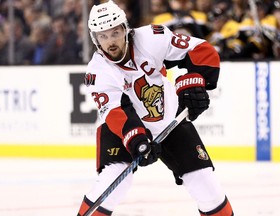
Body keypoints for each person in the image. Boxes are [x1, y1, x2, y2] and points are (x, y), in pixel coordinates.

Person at [77, 1, 234, 215]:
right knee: (113, 181)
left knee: (207, 186)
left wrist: (195, 82)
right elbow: (117, 113)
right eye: (103, 36)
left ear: (125, 29)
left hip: (169, 120)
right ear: (95, 39)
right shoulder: (98, 72)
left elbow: (201, 50)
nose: (110, 42)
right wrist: (137, 139)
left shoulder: (152, 38)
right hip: (121, 131)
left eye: (114, 33)